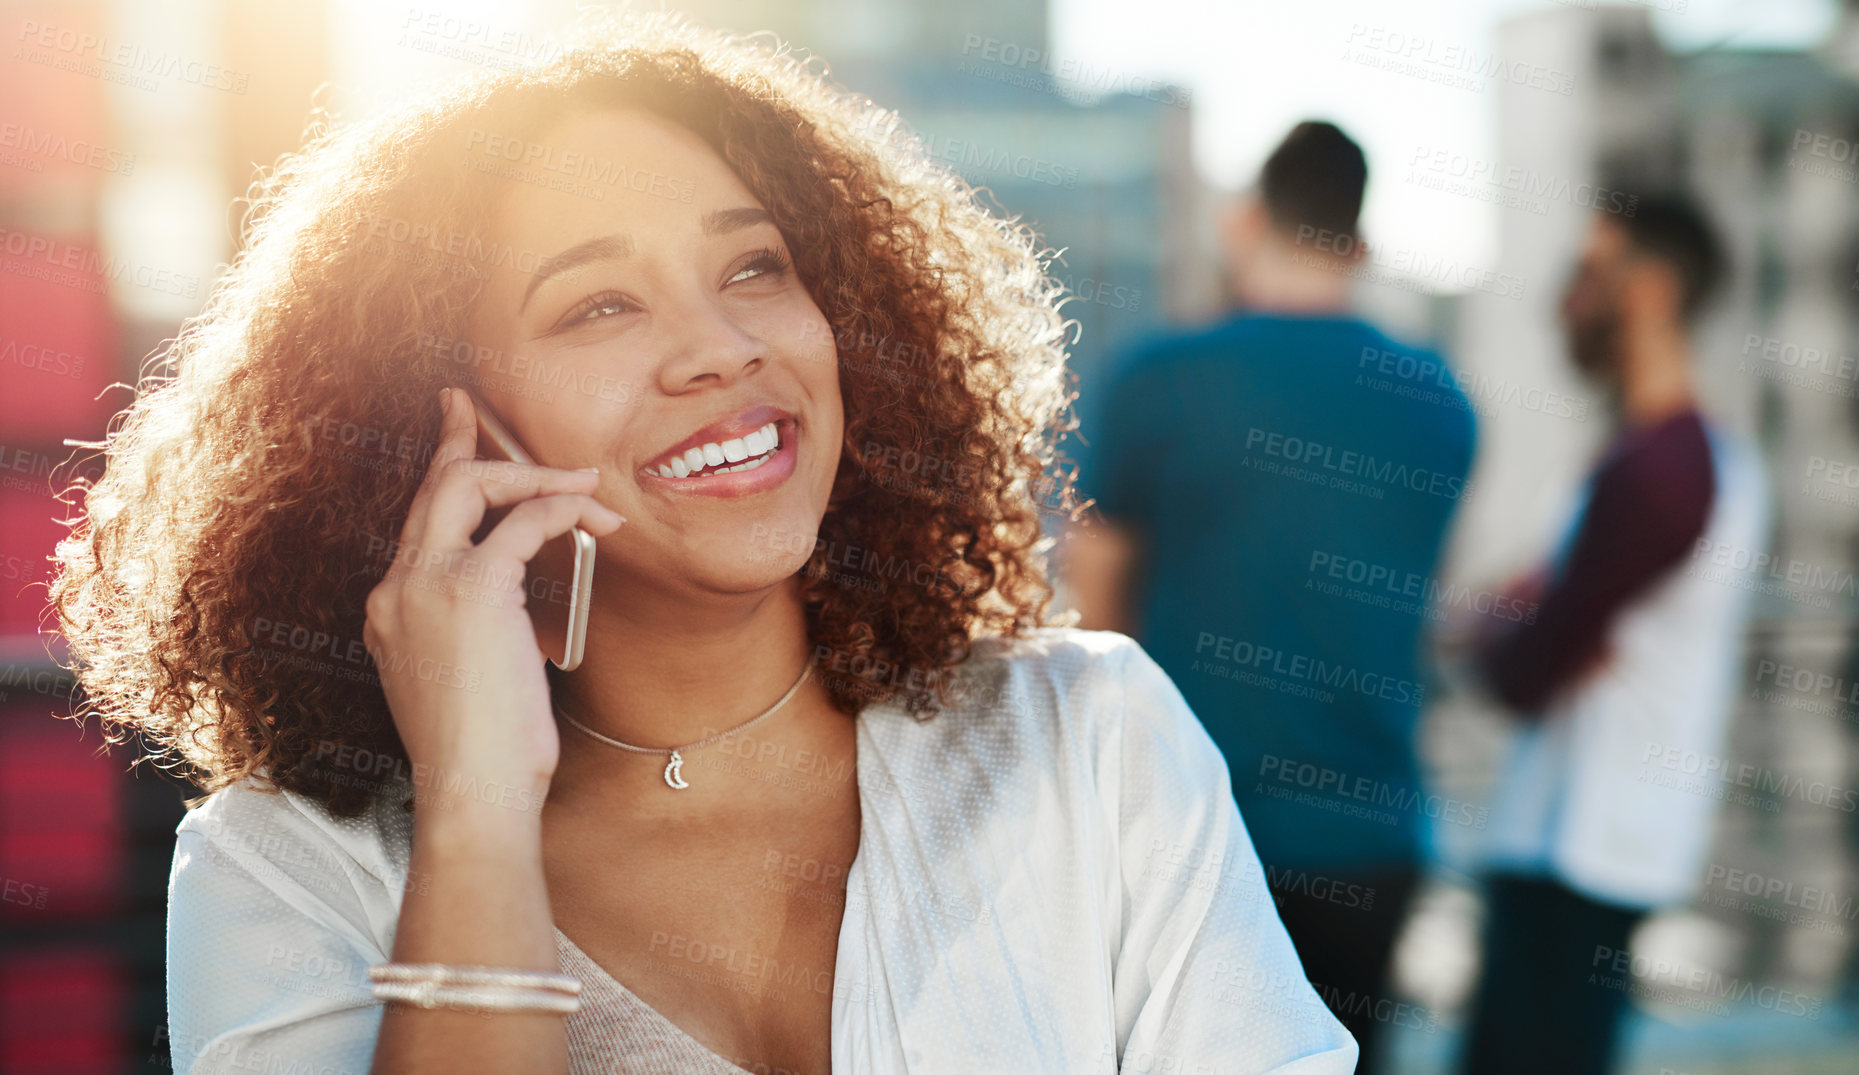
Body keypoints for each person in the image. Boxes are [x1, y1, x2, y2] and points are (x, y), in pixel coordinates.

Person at [47, 12, 1357, 1075]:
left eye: (752, 270)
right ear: (426, 422)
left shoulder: (1090, 737)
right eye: (598, 303)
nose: (724, 347)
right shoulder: (291, 869)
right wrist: (478, 810)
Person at [1064, 120, 1477, 1075]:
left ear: (1244, 222)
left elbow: (1095, 617)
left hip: (1183, 832)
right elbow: (1410, 600)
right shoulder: (1437, 398)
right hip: (1371, 837)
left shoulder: (1155, 375)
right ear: (1363, 245)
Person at [1455, 194, 1768, 1075]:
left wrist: (1516, 618)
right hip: (1577, 841)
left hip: (1580, 852)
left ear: (1652, 290)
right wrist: (1528, 615)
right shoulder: (1666, 460)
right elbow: (1534, 628)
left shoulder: (1661, 473)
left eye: (1591, 274)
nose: (1569, 300)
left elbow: (1517, 664)